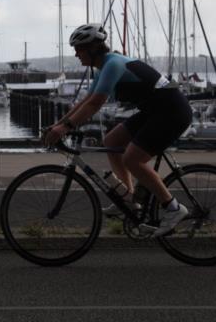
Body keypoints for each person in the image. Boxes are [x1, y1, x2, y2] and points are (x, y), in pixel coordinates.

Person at [42, 23, 192, 237]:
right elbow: (86, 101)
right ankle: (130, 199)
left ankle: (173, 208)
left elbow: (96, 104)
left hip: (172, 112)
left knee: (133, 159)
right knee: (112, 142)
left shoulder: (113, 64)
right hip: (155, 111)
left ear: (93, 48)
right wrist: (58, 125)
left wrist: (65, 128)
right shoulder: (104, 67)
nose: (76, 54)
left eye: (79, 49)